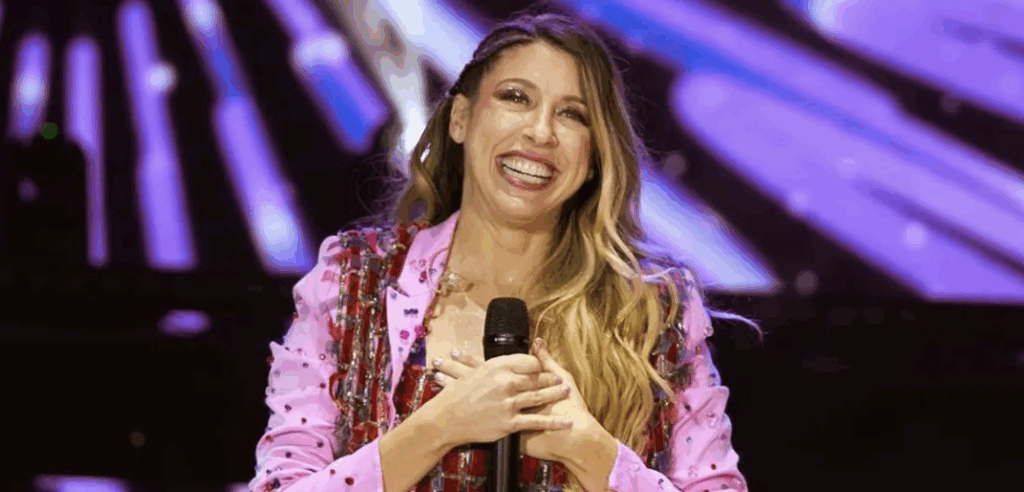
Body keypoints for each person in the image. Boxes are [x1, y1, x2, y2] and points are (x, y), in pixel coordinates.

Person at [249, 11, 761, 492]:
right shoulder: (353, 281)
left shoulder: (653, 309)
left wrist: (587, 449)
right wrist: (439, 428)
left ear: (594, 156)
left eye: (572, 114)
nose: (540, 132)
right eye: (516, 98)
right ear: (460, 119)